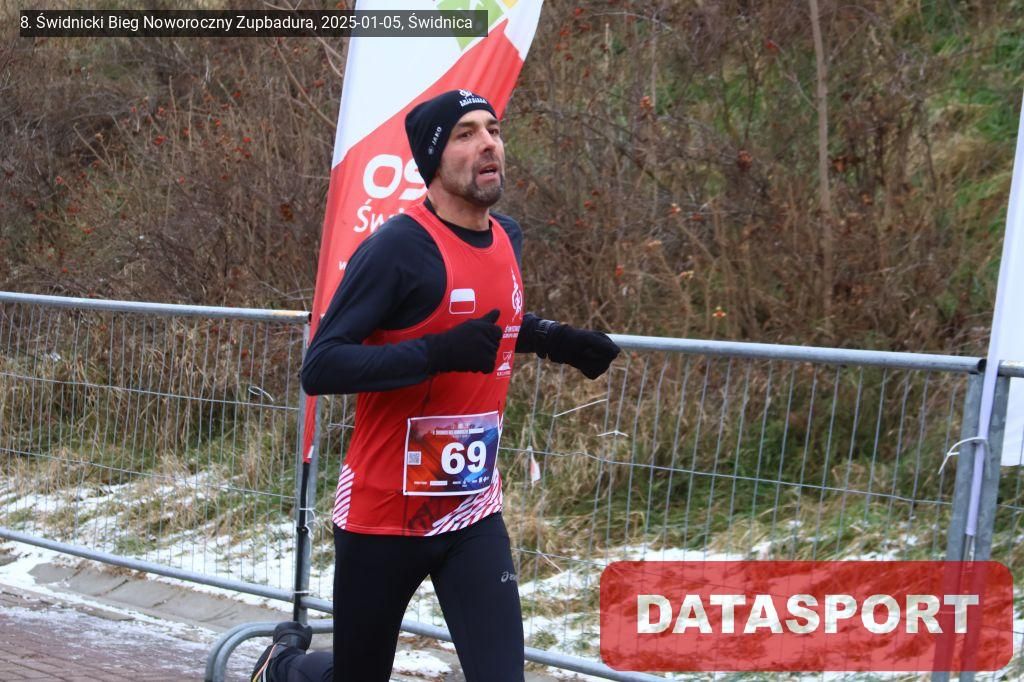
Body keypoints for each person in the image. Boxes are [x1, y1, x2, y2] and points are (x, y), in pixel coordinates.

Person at [252, 89, 620, 682]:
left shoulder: (507, 237)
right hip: (384, 514)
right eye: (466, 134)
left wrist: (556, 339)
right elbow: (321, 365)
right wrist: (435, 354)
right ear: (433, 159)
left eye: (493, 129)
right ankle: (286, 667)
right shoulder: (398, 249)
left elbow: (493, 323)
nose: (488, 143)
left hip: (472, 509)